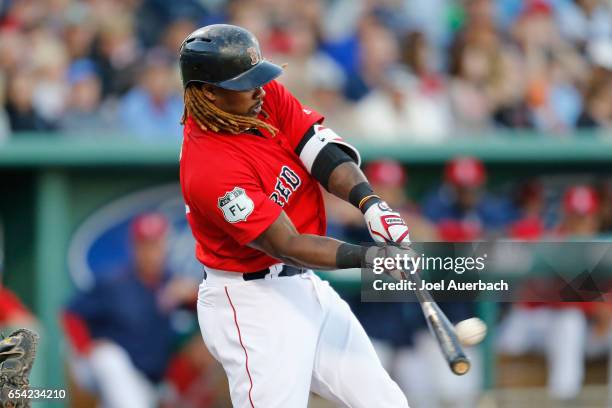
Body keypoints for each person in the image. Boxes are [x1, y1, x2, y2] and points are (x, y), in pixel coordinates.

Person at [179, 24, 412, 407]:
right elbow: (286, 244)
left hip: (304, 286)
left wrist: (370, 203)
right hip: (250, 302)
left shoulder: (257, 94)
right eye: (243, 83)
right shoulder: (208, 167)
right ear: (208, 93)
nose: (259, 89)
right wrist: (369, 257)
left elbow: (317, 148)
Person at [62, 213, 198, 408]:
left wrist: (193, 296)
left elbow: (209, 314)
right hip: (101, 369)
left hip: (148, 378)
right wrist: (85, 348)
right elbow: (71, 314)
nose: (151, 252)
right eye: (145, 245)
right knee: (109, 358)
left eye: (156, 244)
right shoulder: (114, 282)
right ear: (134, 247)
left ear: (165, 246)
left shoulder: (174, 284)